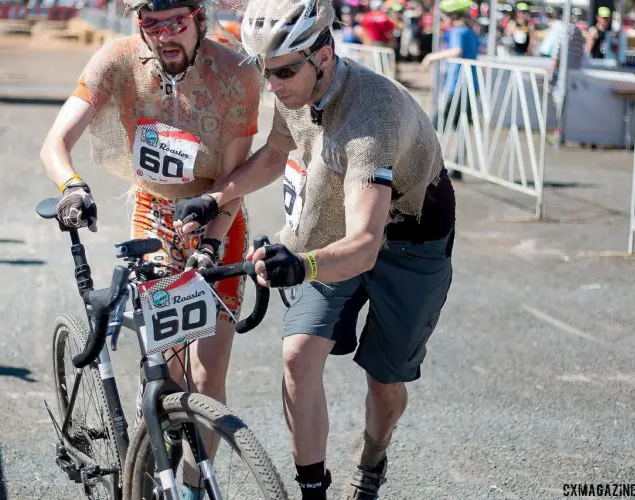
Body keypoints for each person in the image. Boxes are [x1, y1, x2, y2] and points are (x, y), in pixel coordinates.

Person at [172, 0, 456, 498]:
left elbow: (365, 244)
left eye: (283, 72)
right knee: (299, 353)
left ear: (324, 55)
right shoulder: (293, 85)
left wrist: (301, 265)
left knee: (383, 382)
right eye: (264, 71)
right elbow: (277, 154)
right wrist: (216, 197)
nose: (273, 86)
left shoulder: (370, 118)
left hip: (410, 236)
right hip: (333, 221)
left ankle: (372, 456)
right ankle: (313, 491)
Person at [38, 0, 261, 498]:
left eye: (176, 23)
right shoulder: (117, 59)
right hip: (155, 215)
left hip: (214, 217)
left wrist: (210, 240)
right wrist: (71, 185)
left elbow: (233, 180)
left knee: (206, 373)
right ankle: (149, 441)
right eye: (151, 24)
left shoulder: (235, 73)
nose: (164, 36)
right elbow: (56, 141)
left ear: (199, 19)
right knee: (167, 367)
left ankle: (188, 487)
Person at [421, 0, 479, 180]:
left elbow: (456, 51)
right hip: (471, 85)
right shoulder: (471, 32)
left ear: (453, 16)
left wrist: (432, 56)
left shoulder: (457, 32)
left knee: (435, 126)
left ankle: (427, 166)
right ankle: (458, 165)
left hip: (456, 86)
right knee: (461, 127)